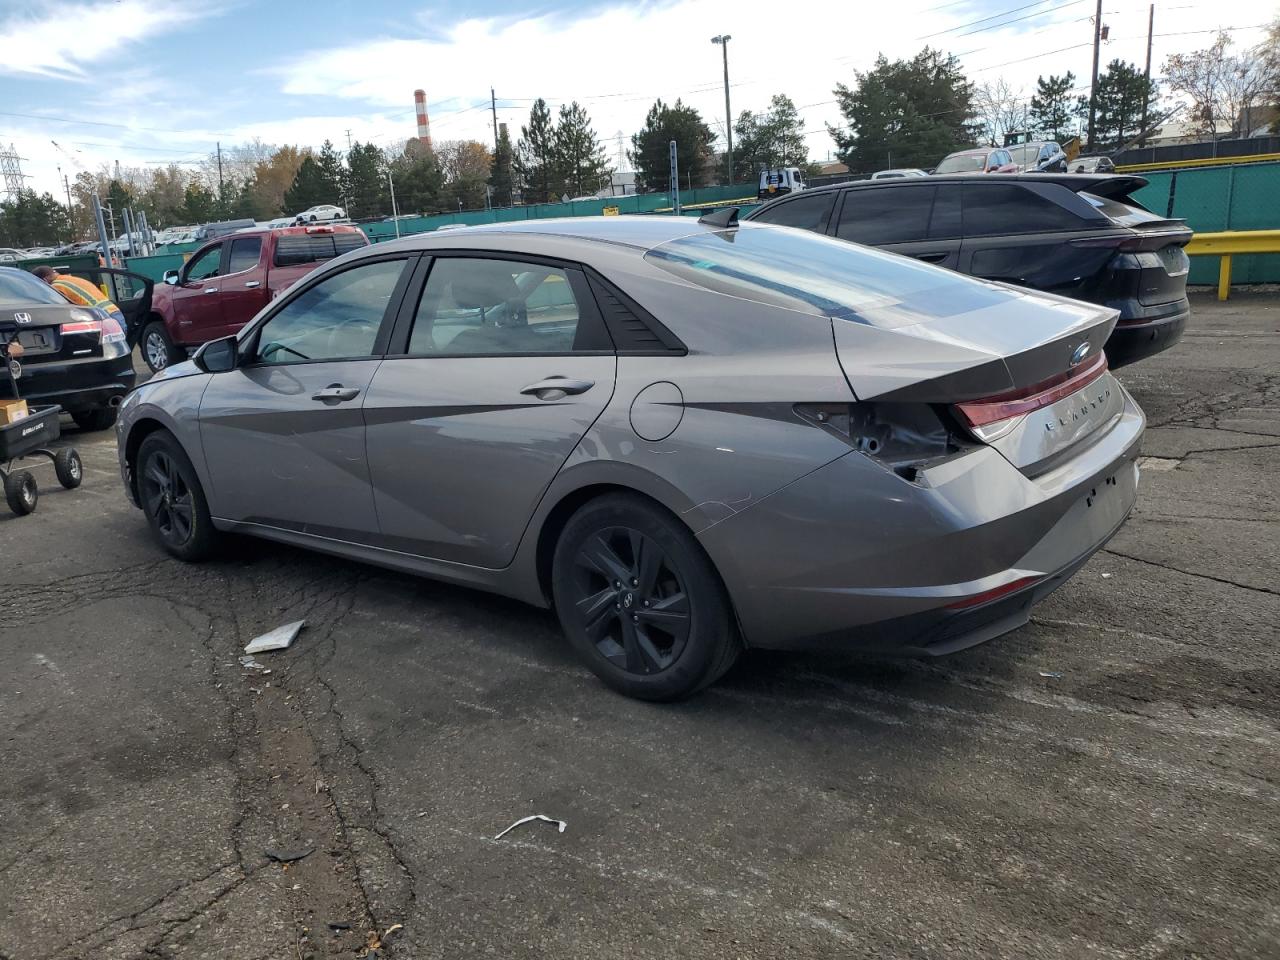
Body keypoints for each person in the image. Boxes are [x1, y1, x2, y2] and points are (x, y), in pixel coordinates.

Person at [32, 265, 125, 323]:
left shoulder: (57, 287)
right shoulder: (73, 279)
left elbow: (59, 311)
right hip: (114, 313)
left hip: (103, 318)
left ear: (44, 280)